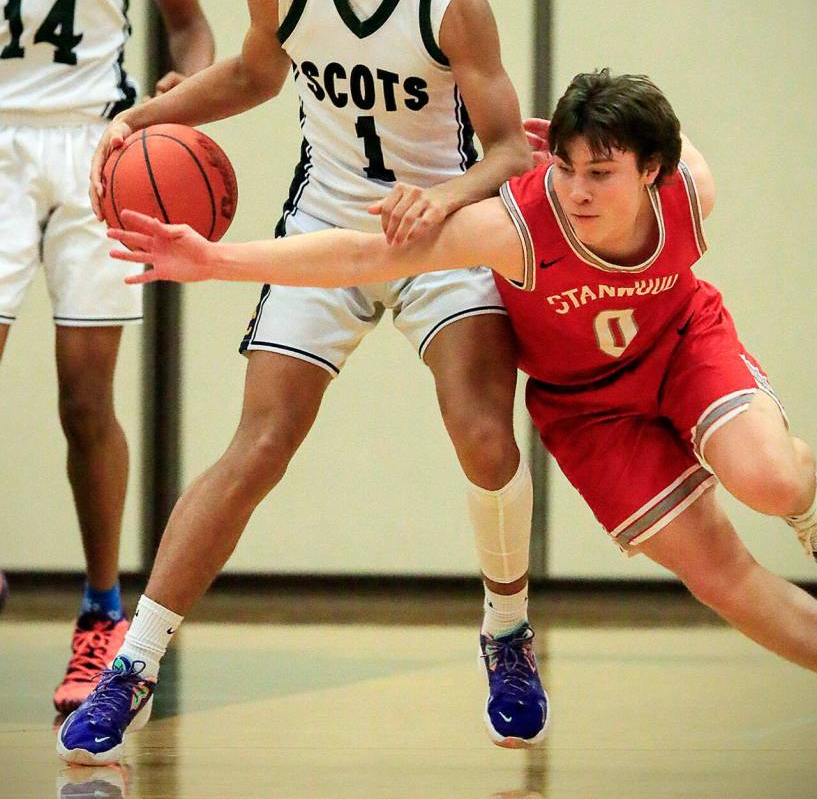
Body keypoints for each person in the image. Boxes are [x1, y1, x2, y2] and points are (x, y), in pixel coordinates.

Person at [65, 69, 817, 760]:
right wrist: (216, 262)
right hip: (589, 412)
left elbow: (673, 135)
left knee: (770, 482)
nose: (578, 191)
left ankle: (807, 505)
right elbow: (364, 258)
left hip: (683, 347)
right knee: (720, 578)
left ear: (650, 171)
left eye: (600, 172)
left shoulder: (690, 191)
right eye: (565, 168)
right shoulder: (515, 229)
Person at [57, 0, 547, 765]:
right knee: (259, 442)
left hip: (438, 228)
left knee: (485, 434)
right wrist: (143, 119)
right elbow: (250, 76)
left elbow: (508, 150)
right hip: (324, 222)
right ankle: (135, 662)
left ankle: (505, 629)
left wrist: (444, 201)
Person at [1, 0, 214, 713]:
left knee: (86, 399)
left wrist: (188, 85)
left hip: (102, 146)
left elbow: (194, 24)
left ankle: (99, 612)